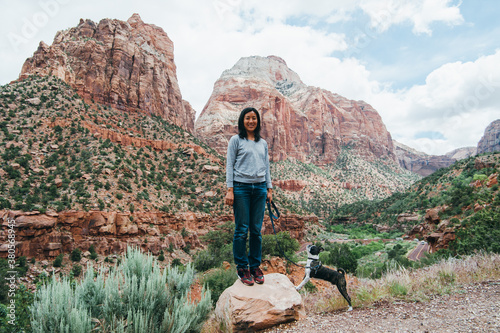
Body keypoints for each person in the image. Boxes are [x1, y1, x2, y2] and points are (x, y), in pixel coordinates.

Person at [225, 107, 273, 286]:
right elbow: (230, 165)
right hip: (241, 188)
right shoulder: (236, 140)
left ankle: (255, 266)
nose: (251, 121)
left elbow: (266, 167)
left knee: (256, 230)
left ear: (258, 121)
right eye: (248, 118)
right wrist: (230, 189)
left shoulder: (263, 143)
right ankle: (242, 267)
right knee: (241, 229)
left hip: (260, 188)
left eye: (254, 118)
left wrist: (269, 188)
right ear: (242, 121)